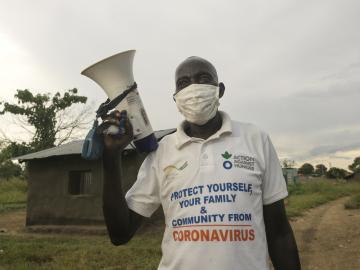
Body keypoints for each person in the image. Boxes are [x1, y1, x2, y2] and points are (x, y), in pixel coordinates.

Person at [100, 56, 301, 270]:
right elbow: (120, 234)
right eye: (184, 83)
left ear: (219, 89)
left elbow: (279, 233)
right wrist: (111, 158)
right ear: (176, 98)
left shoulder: (255, 139)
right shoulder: (162, 151)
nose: (193, 88)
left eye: (203, 78)